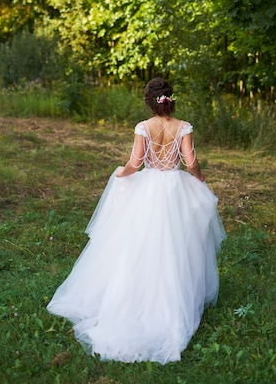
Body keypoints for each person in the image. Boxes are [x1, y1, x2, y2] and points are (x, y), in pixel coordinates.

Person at [47, 77, 226, 364]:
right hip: (175, 189)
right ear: (171, 100)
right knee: (177, 245)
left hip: (150, 190)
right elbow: (190, 161)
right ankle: (174, 298)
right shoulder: (184, 127)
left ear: (150, 101)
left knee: (140, 244)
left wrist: (121, 176)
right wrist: (200, 179)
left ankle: (135, 296)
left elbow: (136, 162)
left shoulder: (144, 127)